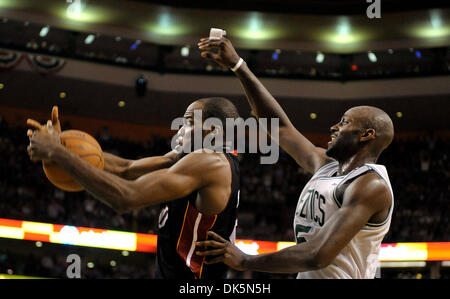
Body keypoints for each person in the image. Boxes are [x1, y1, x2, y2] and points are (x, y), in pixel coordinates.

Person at [195, 37, 394, 279]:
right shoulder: (327, 166)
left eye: (344, 122)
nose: (333, 127)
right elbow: (279, 128)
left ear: (367, 135)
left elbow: (317, 255)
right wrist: (239, 66)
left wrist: (246, 260)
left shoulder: (370, 185)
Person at [26, 98, 241, 279]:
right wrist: (63, 146)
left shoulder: (211, 163)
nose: (180, 130)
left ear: (213, 130)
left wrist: (57, 153)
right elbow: (126, 168)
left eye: (188, 122)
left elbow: (127, 197)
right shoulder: (186, 158)